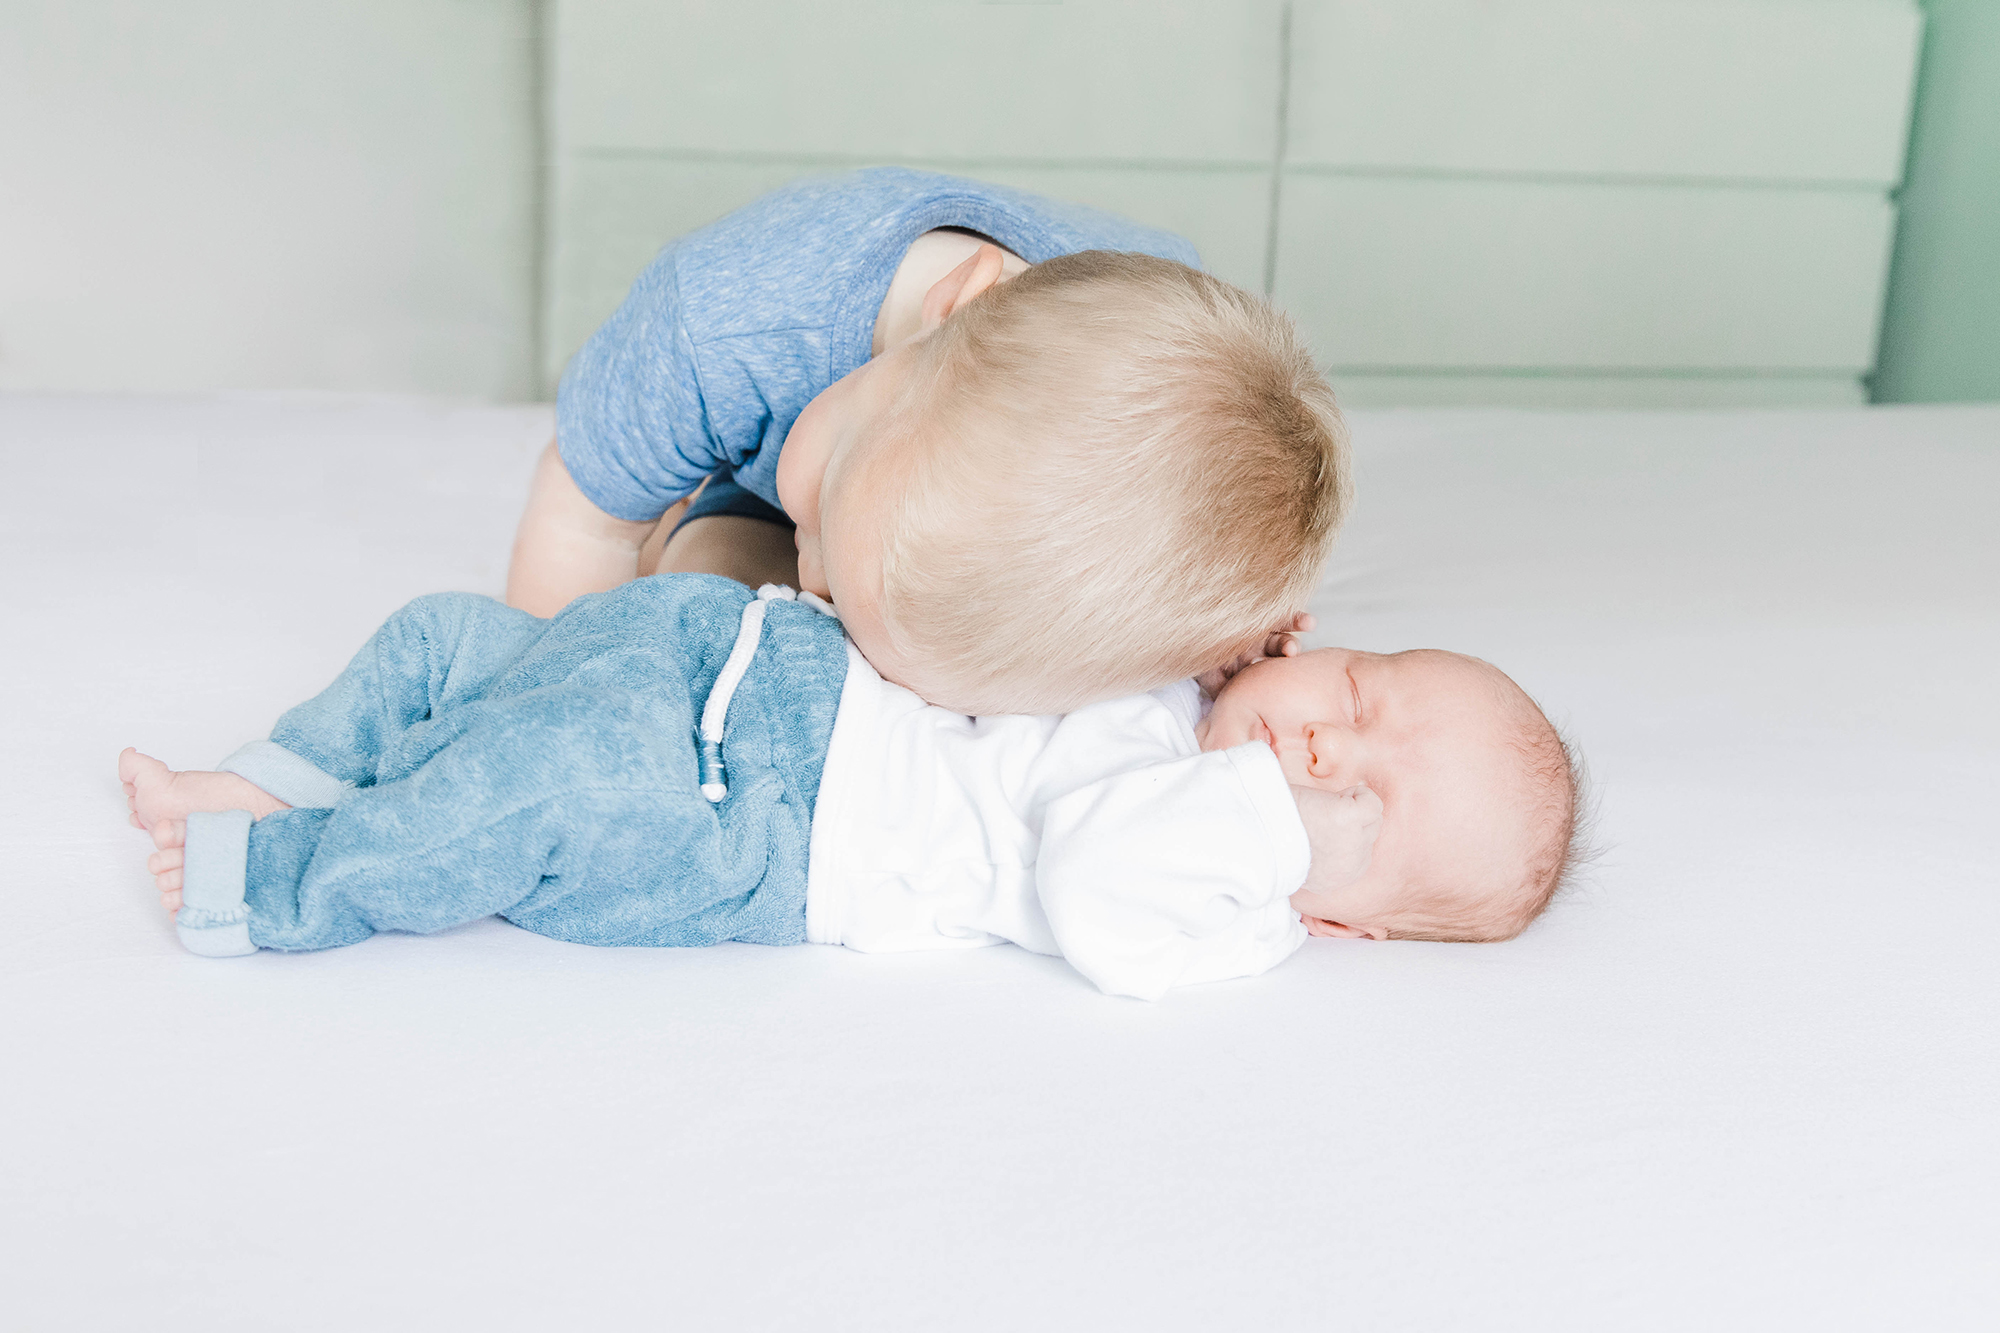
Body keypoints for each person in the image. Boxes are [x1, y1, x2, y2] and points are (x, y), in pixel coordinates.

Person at [118, 577, 1585, 1001]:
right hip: (728, 649)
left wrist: (1271, 824)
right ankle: (263, 778)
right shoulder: (1183, 683)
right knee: (446, 640)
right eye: (1362, 696)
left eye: (1360, 804)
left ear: (1342, 920)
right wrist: (1217, 617)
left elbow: (1091, 875)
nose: (1326, 750)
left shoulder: (1222, 910)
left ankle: (282, 885)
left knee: (534, 787)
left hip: (750, 824)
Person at [507, 167, 1349, 716]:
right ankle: (695, 506)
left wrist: (1212, 635)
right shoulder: (713, 329)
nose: (812, 580)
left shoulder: (1177, 386)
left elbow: (1220, 488)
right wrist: (534, 692)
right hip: (746, 435)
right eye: (828, 535)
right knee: (688, 605)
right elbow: (582, 516)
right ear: (957, 302)